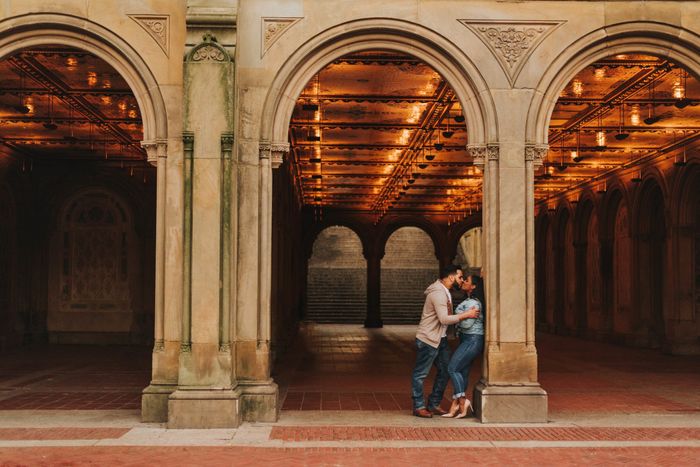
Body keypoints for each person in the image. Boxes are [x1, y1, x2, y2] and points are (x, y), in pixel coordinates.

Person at [411, 264, 477, 418]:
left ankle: (433, 403)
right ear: (451, 277)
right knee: (420, 374)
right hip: (428, 339)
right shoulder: (438, 294)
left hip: (440, 339)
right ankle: (418, 406)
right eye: (460, 277)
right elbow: (444, 319)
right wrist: (466, 315)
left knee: (446, 370)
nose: (461, 281)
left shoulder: (445, 291)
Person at [442, 274, 485, 419]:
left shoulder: (475, 303)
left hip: (472, 340)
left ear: (473, 286)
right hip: (466, 339)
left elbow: (466, 324)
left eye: (467, 281)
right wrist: (464, 315)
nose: (464, 282)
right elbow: (465, 319)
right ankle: (455, 405)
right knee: (462, 372)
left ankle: (463, 401)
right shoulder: (469, 301)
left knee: (452, 368)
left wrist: (458, 318)